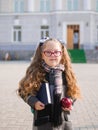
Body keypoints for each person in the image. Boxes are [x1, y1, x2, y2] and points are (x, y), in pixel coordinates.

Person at [18, 38, 81, 130]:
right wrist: (34, 102)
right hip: (42, 123)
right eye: (48, 52)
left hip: (62, 122)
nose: (53, 55)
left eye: (56, 52)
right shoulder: (36, 73)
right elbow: (22, 91)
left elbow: (73, 92)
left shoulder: (67, 74)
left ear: (62, 54)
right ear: (42, 55)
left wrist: (70, 102)